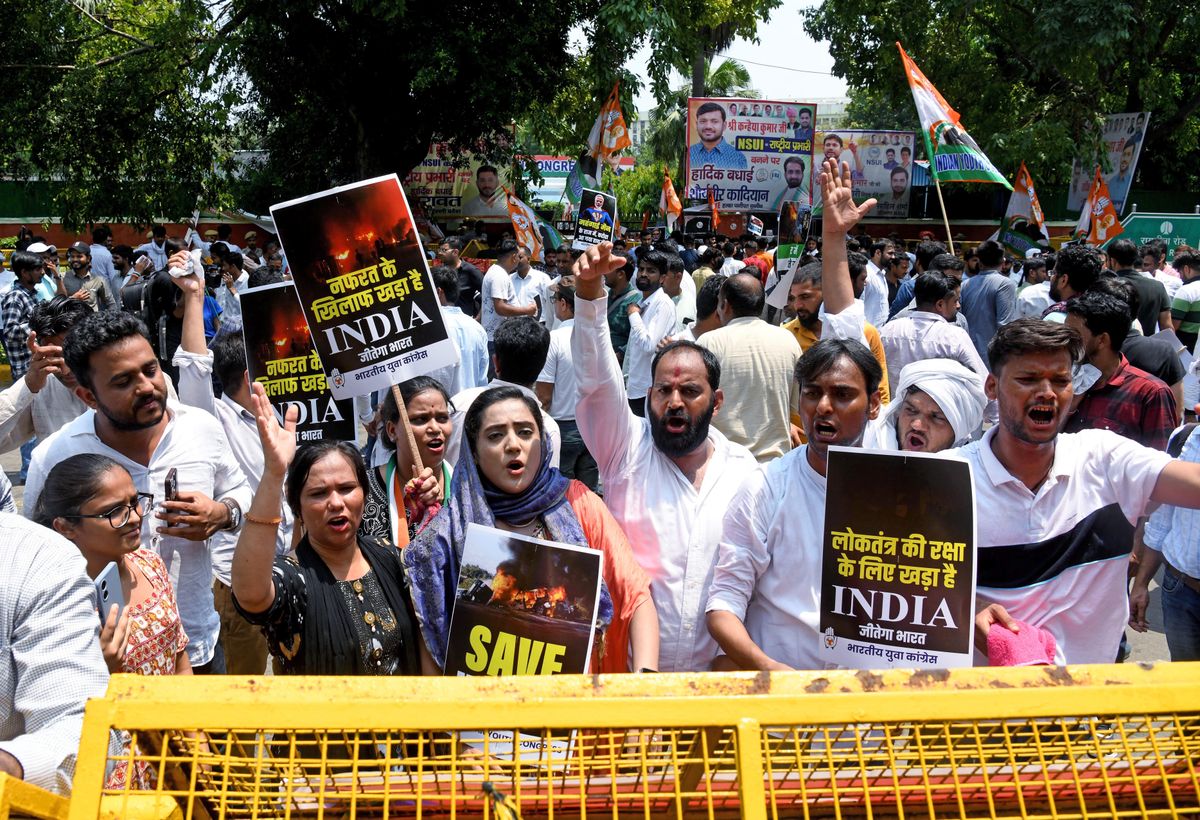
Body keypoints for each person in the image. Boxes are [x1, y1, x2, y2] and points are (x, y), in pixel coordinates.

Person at [705, 159, 883, 671]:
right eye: (812, 393)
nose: (824, 407)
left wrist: (833, 238)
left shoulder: (904, 482)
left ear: (875, 404)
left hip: (875, 720)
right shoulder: (766, 489)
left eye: (843, 395)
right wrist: (775, 677)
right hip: (784, 719)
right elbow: (724, 607)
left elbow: (847, 328)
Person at [25, 311, 252, 674]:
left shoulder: (200, 429)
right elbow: (34, 558)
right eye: (123, 381)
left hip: (196, 645)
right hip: (99, 662)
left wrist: (223, 514)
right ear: (88, 396)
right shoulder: (56, 456)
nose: (146, 387)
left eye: (150, 370)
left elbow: (241, 491)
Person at [963, 318, 1200, 665]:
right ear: (992, 387)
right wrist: (966, 608)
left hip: (1086, 706)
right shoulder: (947, 478)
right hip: (981, 708)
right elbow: (888, 577)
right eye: (1028, 379)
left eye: (1060, 380)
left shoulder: (1105, 460)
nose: (1046, 392)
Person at [571, 240, 759, 672]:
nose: (674, 402)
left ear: (717, 402)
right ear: (649, 395)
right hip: (627, 680)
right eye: (663, 391)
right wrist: (588, 293)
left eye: (690, 391)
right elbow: (597, 383)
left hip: (709, 688)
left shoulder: (745, 473)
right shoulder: (626, 450)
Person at [404, 387, 659, 674]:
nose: (513, 445)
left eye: (525, 432)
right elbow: (431, 635)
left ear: (543, 443)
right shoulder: (448, 531)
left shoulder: (579, 504)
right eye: (495, 435)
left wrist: (646, 685)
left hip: (572, 711)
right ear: (473, 452)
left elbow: (637, 597)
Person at [232, 385, 423, 676]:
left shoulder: (388, 556)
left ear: (364, 492)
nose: (336, 502)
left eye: (347, 489)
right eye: (319, 494)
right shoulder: (294, 578)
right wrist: (273, 473)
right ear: (298, 506)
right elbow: (251, 594)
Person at [34, 455, 190, 787]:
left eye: (135, 502)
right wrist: (97, 667)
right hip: (105, 776)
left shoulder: (149, 564)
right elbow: (45, 717)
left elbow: (179, 661)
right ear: (65, 527)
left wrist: (195, 742)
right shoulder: (52, 608)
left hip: (171, 762)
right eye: (114, 512)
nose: (134, 518)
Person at [169, 256, 291, 674]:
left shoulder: (281, 416)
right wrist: (194, 296)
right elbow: (196, 370)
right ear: (249, 371)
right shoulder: (210, 419)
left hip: (285, 568)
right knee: (243, 689)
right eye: (271, 361)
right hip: (235, 578)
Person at [0, 513, 114, 794]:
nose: (134, 518)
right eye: (113, 512)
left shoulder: (35, 561)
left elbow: (78, 724)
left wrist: (11, 766)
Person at [698, 273, 801, 463]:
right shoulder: (788, 340)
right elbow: (794, 405)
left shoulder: (709, 342)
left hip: (724, 464)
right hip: (775, 464)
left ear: (725, 305)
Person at [1063, 290, 1176, 450]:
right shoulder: (1065, 381)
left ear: (1102, 340)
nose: (1066, 341)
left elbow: (1160, 462)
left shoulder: (1149, 393)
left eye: (1073, 334)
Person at [445, 316, 560, 469]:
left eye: (524, 433)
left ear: (496, 362)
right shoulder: (547, 427)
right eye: (495, 435)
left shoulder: (458, 404)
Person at [1132, 425, 1200, 660]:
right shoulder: (1184, 438)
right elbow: (1162, 520)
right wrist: (1141, 584)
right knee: (1184, 682)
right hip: (1180, 590)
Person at [781, 261, 891, 405]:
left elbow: (880, 390)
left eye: (805, 297)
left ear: (828, 293)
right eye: (794, 298)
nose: (797, 306)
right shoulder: (785, 335)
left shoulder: (865, 333)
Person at [361, 377, 449, 548]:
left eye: (442, 418)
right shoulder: (361, 491)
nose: (436, 428)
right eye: (420, 419)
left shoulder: (470, 489)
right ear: (392, 431)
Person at [878, 270, 987, 390]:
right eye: (955, 301)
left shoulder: (888, 330)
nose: (958, 306)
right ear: (940, 304)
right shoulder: (954, 336)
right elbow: (982, 383)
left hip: (893, 407)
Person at [535, 285, 598, 492]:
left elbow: (544, 396)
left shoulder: (554, 339)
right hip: (591, 426)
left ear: (563, 304)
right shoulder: (596, 337)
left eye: (554, 301)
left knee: (562, 496)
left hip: (563, 427)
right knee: (587, 497)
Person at [866, 359, 987, 452]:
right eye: (911, 410)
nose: (917, 425)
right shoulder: (866, 442)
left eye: (936, 417)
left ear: (959, 431)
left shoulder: (973, 478)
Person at [625, 249, 677, 417]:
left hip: (649, 388)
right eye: (641, 269)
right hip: (635, 386)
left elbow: (649, 345)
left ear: (662, 278)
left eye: (651, 271)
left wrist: (633, 315)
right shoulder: (642, 302)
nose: (643, 274)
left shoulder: (663, 304)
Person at [428, 265, 488, 394]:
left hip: (438, 409)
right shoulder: (477, 328)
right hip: (470, 407)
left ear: (439, 292)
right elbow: (482, 380)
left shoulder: (431, 328)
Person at [960, 239, 1018, 362]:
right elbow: (1005, 325)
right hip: (992, 357)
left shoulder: (965, 284)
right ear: (1003, 261)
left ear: (980, 261)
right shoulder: (1005, 284)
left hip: (967, 353)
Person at [480, 239, 537, 348]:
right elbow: (500, 308)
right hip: (497, 338)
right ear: (514, 257)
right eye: (519, 256)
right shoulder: (499, 275)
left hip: (497, 336)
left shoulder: (496, 271)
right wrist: (528, 310)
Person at [1109, 238, 1171, 334]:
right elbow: (1166, 326)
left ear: (1112, 261)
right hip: (1148, 346)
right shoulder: (1157, 287)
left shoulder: (1107, 286)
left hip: (1115, 347)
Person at [603, 249, 641, 364]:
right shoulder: (604, 296)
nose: (604, 272)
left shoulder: (636, 301)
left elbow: (636, 337)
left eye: (609, 268)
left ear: (620, 274)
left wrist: (619, 355)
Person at [687, 102, 748, 171]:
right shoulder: (688, 153)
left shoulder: (738, 157)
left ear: (724, 126)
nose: (708, 126)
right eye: (703, 121)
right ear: (696, 125)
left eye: (714, 121)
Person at [437, 236, 484, 317]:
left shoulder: (471, 271)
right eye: (439, 250)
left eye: (444, 250)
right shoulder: (438, 272)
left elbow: (486, 298)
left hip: (465, 322)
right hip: (443, 321)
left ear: (455, 252)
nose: (440, 253)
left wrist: (477, 319)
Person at [64, 242, 116, 312]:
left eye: (79, 256)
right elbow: (57, 304)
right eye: (72, 257)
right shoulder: (63, 278)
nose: (75, 259)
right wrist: (73, 299)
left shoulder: (98, 280)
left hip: (91, 321)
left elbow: (111, 304)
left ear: (88, 258)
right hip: (70, 321)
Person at [510, 247, 552, 325]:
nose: (516, 260)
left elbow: (551, 302)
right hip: (515, 324)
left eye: (520, 257)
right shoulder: (509, 279)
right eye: (515, 257)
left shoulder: (542, 278)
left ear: (528, 259)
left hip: (537, 324)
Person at [1169, 251, 1200, 352]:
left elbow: (1172, 327)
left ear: (1186, 269)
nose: (1180, 277)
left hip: (1187, 350)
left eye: (1179, 272)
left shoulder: (1186, 291)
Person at [89, 227, 118, 300]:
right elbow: (113, 277)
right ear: (105, 240)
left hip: (88, 290)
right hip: (105, 293)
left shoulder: (87, 251)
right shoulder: (107, 254)